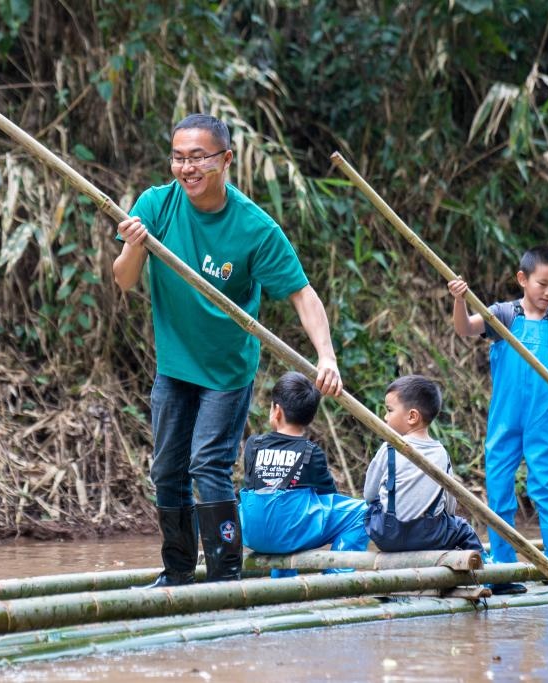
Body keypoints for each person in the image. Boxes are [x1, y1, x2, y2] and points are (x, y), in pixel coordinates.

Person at [112, 114, 342, 587]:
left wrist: (326, 356)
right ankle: (176, 571)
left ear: (226, 160)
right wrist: (135, 246)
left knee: (208, 465)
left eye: (199, 158)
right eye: (179, 157)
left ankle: (223, 574)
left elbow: (303, 294)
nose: (187, 168)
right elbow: (125, 279)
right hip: (174, 364)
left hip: (226, 370)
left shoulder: (254, 227)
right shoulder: (156, 205)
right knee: (167, 469)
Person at [448, 245, 548, 595]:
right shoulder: (503, 315)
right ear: (522, 279)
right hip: (506, 417)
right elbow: (464, 328)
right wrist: (460, 300)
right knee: (498, 487)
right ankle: (504, 568)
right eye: (543, 284)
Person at [239, 371, 368, 578]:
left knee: (287, 510)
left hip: (252, 533)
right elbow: (329, 494)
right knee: (362, 512)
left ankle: (282, 585)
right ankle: (338, 576)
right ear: (310, 416)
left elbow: (252, 485)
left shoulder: (254, 444)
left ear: (277, 410)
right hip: (289, 533)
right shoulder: (311, 452)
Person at [363, 375, 484, 554]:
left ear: (412, 416)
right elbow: (450, 506)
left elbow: (369, 494)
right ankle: (486, 572)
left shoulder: (389, 448)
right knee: (463, 529)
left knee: (368, 508)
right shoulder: (442, 454)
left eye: (389, 410)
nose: (385, 417)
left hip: (387, 534)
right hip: (430, 537)